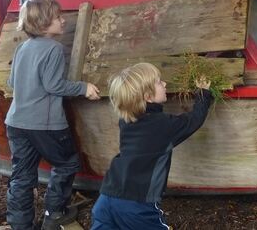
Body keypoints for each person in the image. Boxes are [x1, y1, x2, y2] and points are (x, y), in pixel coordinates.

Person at [5, 0, 101, 230]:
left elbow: (11, 82)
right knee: (67, 164)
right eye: (58, 17)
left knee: (23, 175)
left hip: (16, 122)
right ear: (44, 23)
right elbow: (54, 86)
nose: (63, 20)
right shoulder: (54, 49)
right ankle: (55, 212)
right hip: (45, 124)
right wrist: (83, 87)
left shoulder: (21, 48)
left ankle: (20, 224)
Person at [90, 63, 214, 230]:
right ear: (148, 96)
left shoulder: (127, 120)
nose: (165, 84)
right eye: (159, 82)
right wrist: (203, 94)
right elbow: (193, 120)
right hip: (136, 204)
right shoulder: (162, 125)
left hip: (106, 196)